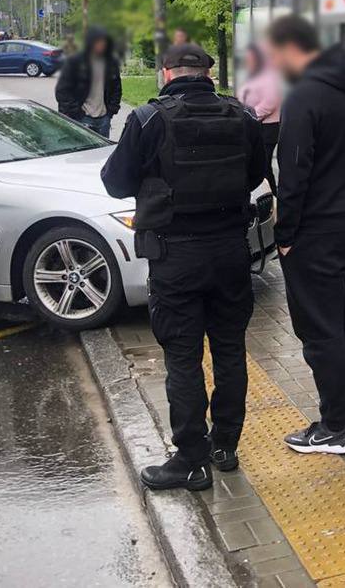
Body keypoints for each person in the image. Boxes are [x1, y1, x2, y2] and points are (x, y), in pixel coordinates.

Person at [101, 44, 267, 491]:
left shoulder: (148, 119)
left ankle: (191, 462)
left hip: (176, 256)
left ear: (166, 73)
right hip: (231, 252)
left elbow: (115, 182)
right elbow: (255, 174)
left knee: (182, 357)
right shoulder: (242, 116)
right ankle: (225, 446)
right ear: (207, 74)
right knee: (230, 349)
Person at [266, 15, 345, 455]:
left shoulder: (304, 94)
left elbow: (294, 174)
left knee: (320, 328)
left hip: (314, 231)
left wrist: (285, 234)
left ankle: (334, 427)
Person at [55, 26, 122, 138]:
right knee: (83, 148)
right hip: (82, 118)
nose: (102, 45)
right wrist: (75, 112)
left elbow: (117, 88)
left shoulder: (111, 63)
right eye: (98, 42)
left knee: (104, 148)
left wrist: (111, 111)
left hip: (104, 119)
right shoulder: (75, 62)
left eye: (104, 42)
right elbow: (62, 91)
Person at [237, 44, 282, 195]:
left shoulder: (269, 76)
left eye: (250, 58)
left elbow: (270, 103)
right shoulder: (253, 75)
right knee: (257, 163)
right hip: (253, 123)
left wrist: (250, 115)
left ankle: (271, 196)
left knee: (264, 165)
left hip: (267, 127)